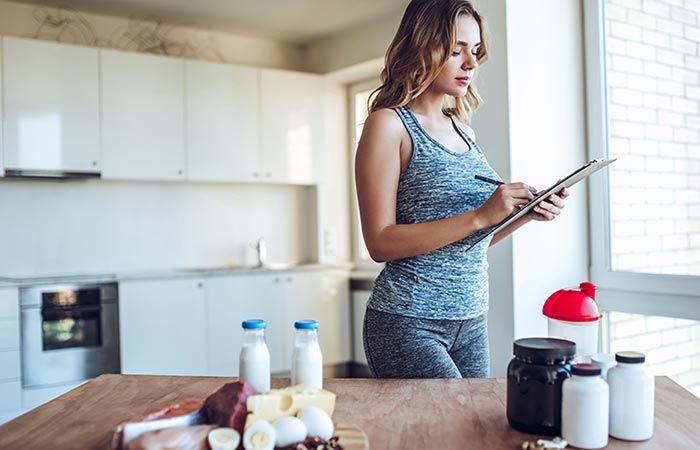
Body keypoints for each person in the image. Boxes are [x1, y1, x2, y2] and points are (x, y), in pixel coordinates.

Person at [355, 0, 570, 379]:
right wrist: (480, 214)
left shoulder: (463, 130)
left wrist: (521, 215)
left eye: (474, 51)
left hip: (471, 319)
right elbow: (379, 242)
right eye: (456, 51)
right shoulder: (388, 125)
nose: (470, 63)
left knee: (470, 431)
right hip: (408, 320)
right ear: (421, 48)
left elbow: (472, 238)